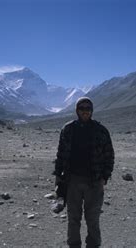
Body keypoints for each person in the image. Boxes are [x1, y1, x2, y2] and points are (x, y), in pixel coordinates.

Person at [53, 97, 114, 248]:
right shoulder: (68, 129)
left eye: (88, 108)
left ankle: (93, 245)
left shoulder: (101, 130)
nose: (85, 111)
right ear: (77, 110)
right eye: (82, 108)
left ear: (92, 110)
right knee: (73, 217)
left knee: (92, 218)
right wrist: (58, 177)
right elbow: (60, 154)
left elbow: (109, 155)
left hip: (94, 181)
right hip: (72, 180)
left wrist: (104, 177)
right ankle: (74, 245)